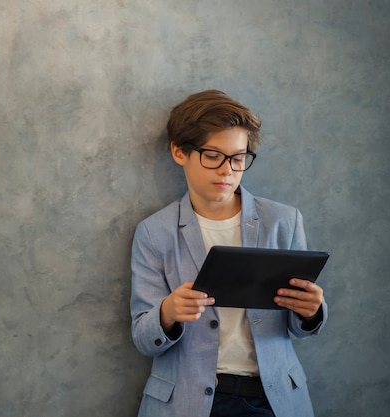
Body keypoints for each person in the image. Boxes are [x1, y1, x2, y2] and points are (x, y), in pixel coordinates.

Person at [130, 90, 327, 417]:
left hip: (271, 397)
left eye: (238, 158)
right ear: (179, 152)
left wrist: (311, 310)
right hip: (187, 401)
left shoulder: (283, 220)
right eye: (213, 155)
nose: (227, 171)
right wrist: (167, 311)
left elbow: (301, 323)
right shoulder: (154, 232)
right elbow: (141, 335)